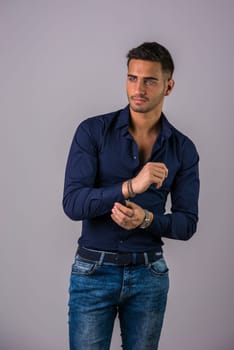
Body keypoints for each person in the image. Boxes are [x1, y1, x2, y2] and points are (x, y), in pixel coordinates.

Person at [63, 42, 199, 350]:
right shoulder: (92, 132)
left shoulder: (184, 149)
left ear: (169, 86)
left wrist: (147, 219)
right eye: (132, 78)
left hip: (149, 274)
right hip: (92, 272)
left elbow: (187, 223)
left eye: (150, 80)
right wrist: (130, 187)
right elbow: (72, 203)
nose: (138, 88)